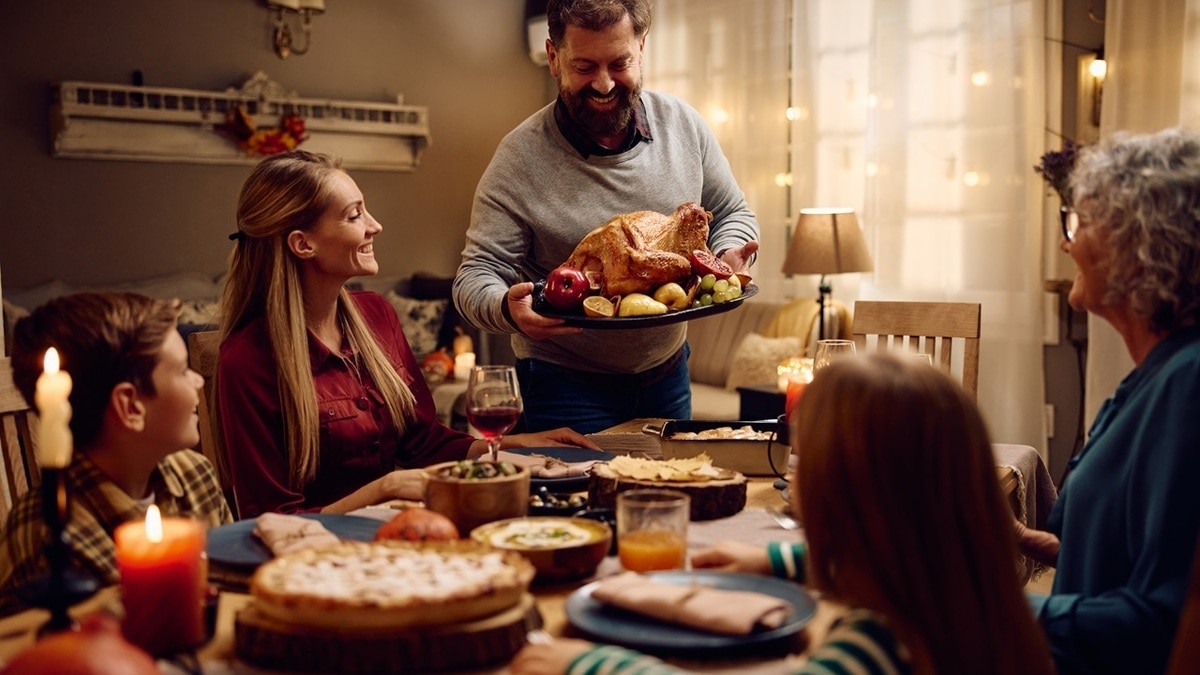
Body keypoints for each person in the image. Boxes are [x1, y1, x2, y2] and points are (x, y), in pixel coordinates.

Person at [511, 353, 1054, 675]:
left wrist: (586, 665)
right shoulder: (962, 587)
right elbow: (913, 547)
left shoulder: (881, 643)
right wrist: (775, 560)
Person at [218, 150, 597, 518]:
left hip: (405, 529)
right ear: (303, 244)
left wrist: (518, 445)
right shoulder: (247, 361)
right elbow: (271, 519)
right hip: (318, 560)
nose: (374, 225)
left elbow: (423, 443)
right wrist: (387, 488)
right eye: (354, 215)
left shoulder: (377, 315)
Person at [452, 0, 761, 434]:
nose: (602, 84)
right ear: (553, 57)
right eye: (583, 66)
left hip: (668, 373)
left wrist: (728, 254)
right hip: (563, 383)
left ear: (642, 48)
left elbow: (731, 211)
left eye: (620, 63)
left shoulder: (684, 127)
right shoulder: (519, 158)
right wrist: (506, 307)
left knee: (666, 494)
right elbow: (476, 274)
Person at [1014, 128, 1200, 674]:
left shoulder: (1188, 386)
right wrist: (1023, 539)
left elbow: (1159, 622)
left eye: (1077, 223)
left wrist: (975, 610)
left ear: (1143, 246)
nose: (1066, 244)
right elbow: (1129, 559)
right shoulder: (1153, 375)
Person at [0, 293, 233, 614]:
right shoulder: (51, 541)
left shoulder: (194, 474)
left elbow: (228, 589)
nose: (197, 381)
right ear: (130, 406)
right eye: (182, 371)